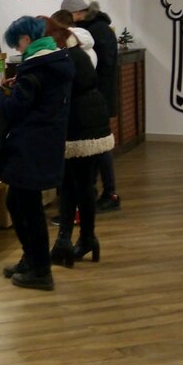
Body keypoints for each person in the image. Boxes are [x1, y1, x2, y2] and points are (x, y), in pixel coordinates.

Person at [0, 16, 74, 291]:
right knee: (18, 202)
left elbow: (16, 109)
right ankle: (32, 260)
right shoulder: (56, 60)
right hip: (46, 141)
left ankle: (40, 270)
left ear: (26, 39)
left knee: (27, 207)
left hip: (30, 144)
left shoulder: (34, 67)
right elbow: (38, 98)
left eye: (17, 44)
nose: (18, 49)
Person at [42, 17, 114, 266]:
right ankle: (73, 240)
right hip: (89, 121)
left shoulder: (66, 58)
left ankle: (82, 238)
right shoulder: (76, 52)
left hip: (81, 125)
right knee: (75, 184)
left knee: (79, 185)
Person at [60, 0, 121, 212]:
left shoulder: (93, 32)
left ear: (77, 13)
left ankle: (107, 193)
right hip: (99, 97)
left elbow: (101, 67)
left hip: (95, 98)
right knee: (99, 147)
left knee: (99, 147)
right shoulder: (98, 29)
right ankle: (96, 191)